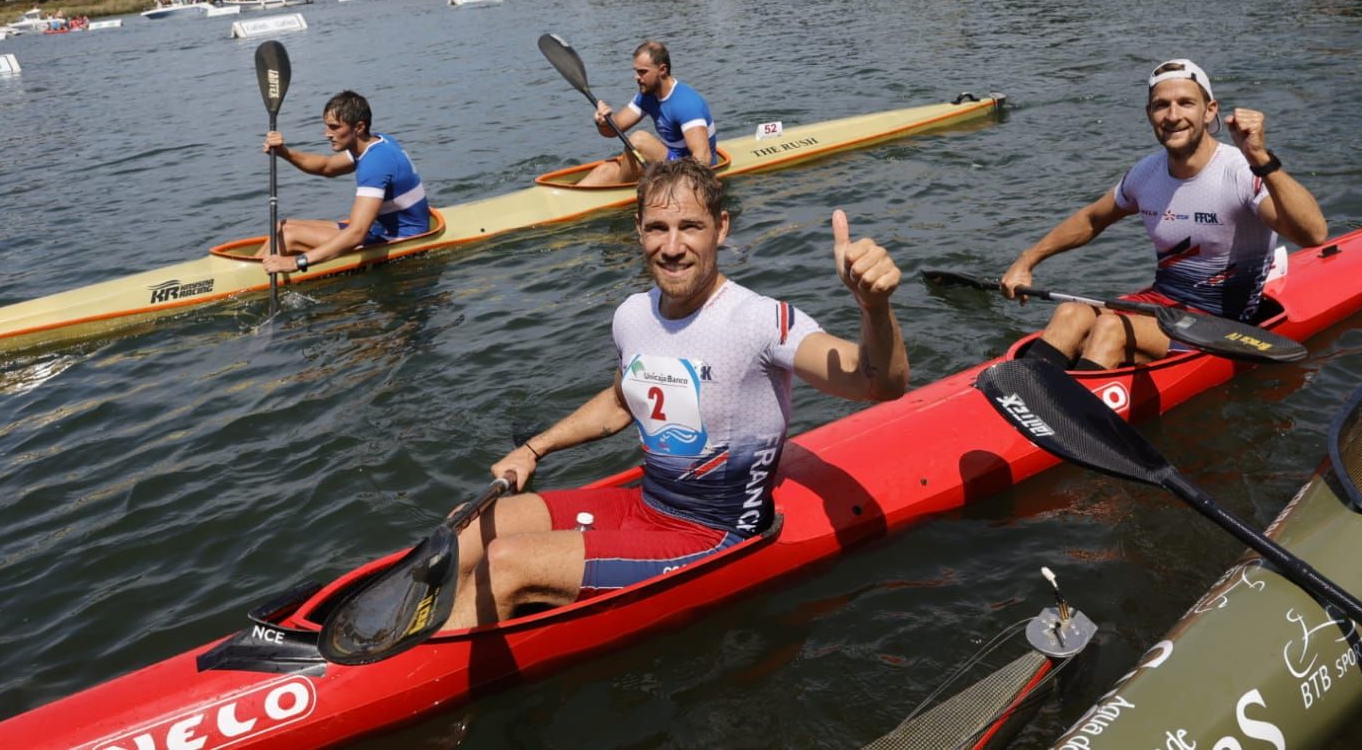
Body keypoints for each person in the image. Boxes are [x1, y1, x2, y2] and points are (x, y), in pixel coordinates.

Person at [438, 159, 908, 629]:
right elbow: (621, 401)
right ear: (638, 229)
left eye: (690, 227)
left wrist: (874, 307)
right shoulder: (632, 314)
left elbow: (876, 382)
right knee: (470, 527)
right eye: (657, 228)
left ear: (720, 228)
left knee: (506, 562)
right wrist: (534, 447)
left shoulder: (761, 321)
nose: (672, 246)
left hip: (715, 535)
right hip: (646, 505)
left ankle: (425, 675)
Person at [999, 58, 1328, 370]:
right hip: (1162, 304)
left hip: (1222, 325)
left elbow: (1313, 235)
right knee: (1070, 313)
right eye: (1161, 105)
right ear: (1149, 114)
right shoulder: (1146, 173)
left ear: (1209, 110)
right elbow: (1091, 219)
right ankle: (1025, 391)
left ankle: (1067, 413)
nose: (1173, 115)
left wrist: (1259, 155)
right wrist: (1025, 262)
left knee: (1111, 328)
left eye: (1186, 103)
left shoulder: (1241, 171)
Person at [259, 90, 430, 275]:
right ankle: (256, 268)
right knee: (283, 226)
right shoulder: (376, 143)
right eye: (327, 127)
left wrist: (297, 262)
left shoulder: (375, 163)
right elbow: (326, 166)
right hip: (381, 229)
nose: (327, 134)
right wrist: (283, 151)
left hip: (404, 240)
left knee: (288, 236)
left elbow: (356, 233)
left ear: (358, 127)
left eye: (334, 127)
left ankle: (250, 276)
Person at [578, 40, 718, 187]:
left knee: (639, 140)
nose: (637, 77)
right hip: (670, 163)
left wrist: (686, 191)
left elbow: (703, 158)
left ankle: (620, 190)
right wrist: (602, 122)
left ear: (662, 70)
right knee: (606, 170)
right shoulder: (647, 95)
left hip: (689, 171)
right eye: (636, 71)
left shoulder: (686, 104)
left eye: (642, 72)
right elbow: (614, 130)